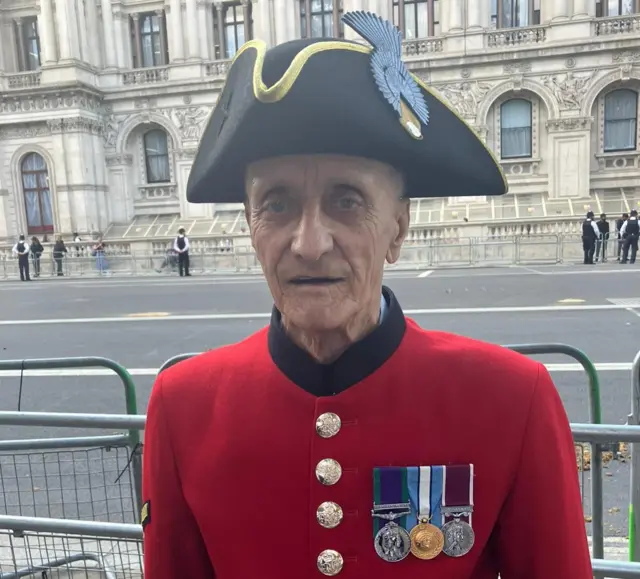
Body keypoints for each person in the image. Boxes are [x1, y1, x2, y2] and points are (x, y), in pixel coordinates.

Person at [142, 11, 591, 579]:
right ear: (251, 226)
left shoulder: (510, 400)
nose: (308, 243)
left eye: (346, 200)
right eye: (276, 203)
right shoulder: (184, 407)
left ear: (398, 228)